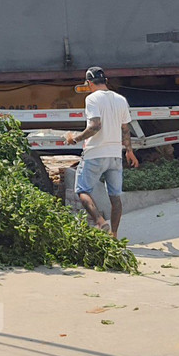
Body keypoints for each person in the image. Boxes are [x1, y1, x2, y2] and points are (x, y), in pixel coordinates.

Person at [68, 67, 137, 238]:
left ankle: (100, 222)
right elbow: (125, 129)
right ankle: (114, 234)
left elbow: (95, 126)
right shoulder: (121, 100)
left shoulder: (92, 99)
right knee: (115, 197)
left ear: (89, 83)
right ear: (105, 81)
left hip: (95, 153)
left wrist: (75, 139)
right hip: (115, 155)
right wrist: (129, 151)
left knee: (82, 190)